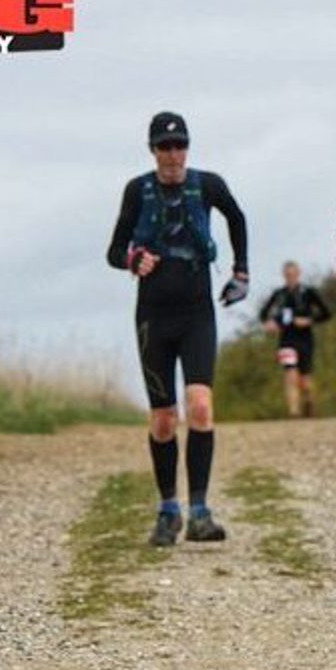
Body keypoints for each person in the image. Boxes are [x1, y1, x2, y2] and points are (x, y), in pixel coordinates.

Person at [106, 111, 250, 546]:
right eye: (164, 146)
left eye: (179, 145)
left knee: (201, 406)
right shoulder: (137, 190)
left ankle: (200, 511)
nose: (172, 154)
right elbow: (114, 250)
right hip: (152, 316)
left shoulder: (208, 185)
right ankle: (169, 509)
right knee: (164, 419)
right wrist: (134, 259)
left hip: (197, 312)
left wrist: (241, 274)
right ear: (152, 150)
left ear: (188, 147)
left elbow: (237, 218)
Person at [258, 261, 333, 417]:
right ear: (284, 276)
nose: (290, 277)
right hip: (286, 340)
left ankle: (309, 405)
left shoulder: (308, 292)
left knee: (305, 381)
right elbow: (263, 314)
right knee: (290, 375)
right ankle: (294, 412)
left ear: (298, 274)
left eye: (293, 274)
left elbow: (326, 313)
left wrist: (309, 320)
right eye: (287, 275)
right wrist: (269, 324)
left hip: (305, 339)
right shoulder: (279, 295)